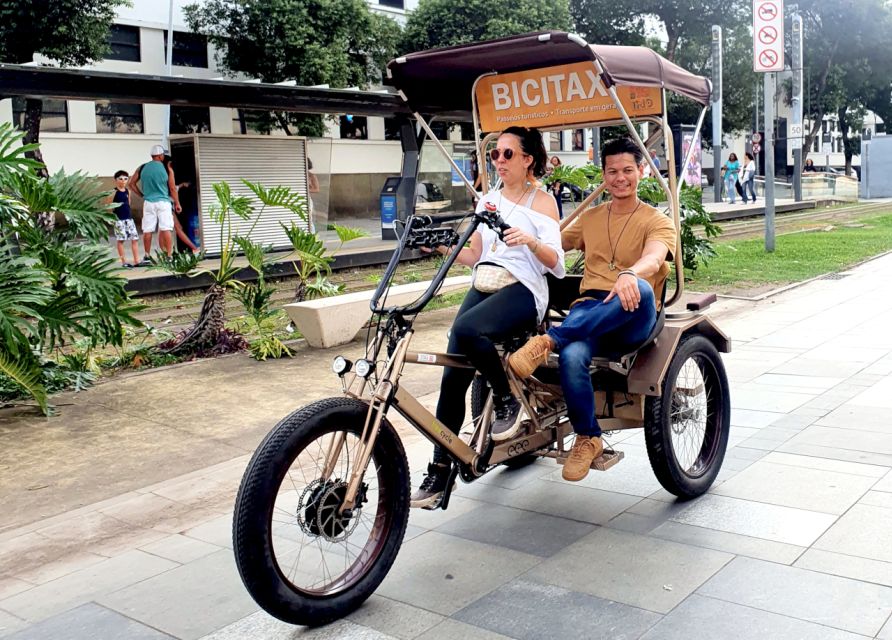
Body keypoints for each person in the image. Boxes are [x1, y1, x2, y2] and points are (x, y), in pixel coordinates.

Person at [411, 126, 565, 509]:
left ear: (528, 159)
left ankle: (504, 398)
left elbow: (558, 264)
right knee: (452, 375)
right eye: (496, 154)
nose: (499, 161)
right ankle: (440, 469)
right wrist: (444, 246)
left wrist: (529, 240)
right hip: (487, 282)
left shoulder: (543, 202)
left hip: (525, 289)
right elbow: (475, 254)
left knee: (466, 328)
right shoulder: (488, 201)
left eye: (508, 154)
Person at [508, 137, 676, 482]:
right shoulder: (591, 217)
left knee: (638, 289)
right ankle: (589, 436)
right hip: (589, 311)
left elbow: (655, 257)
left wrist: (631, 274)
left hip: (634, 312)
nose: (620, 178)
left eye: (628, 170)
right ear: (604, 175)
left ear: (641, 172)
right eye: (612, 171)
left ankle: (548, 340)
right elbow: (551, 243)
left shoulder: (656, 220)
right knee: (572, 356)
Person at [129, 145, 181, 258]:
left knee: (147, 230)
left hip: (148, 203)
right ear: (160, 156)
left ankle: (147, 255)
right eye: (162, 155)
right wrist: (177, 203)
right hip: (163, 202)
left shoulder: (142, 167)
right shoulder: (167, 169)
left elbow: (131, 184)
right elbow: (172, 188)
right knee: (166, 228)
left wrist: (142, 195)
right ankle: (169, 255)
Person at [162, 155, 199, 254]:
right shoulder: (168, 174)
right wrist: (177, 203)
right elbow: (172, 189)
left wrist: (182, 185)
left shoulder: (159, 175)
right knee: (178, 228)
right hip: (166, 205)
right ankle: (194, 248)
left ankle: (165, 253)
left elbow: (173, 188)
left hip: (161, 204)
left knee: (163, 230)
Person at [109, 170, 141, 267]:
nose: (123, 181)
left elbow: (128, 203)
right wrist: (111, 218)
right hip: (118, 219)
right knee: (121, 240)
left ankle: (137, 260)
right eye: (120, 179)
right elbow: (109, 205)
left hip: (129, 219)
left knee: (134, 239)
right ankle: (124, 262)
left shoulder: (128, 191)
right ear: (116, 180)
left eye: (125, 179)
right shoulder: (114, 192)